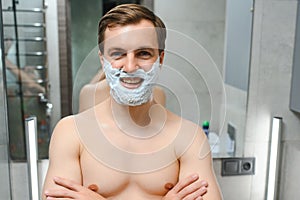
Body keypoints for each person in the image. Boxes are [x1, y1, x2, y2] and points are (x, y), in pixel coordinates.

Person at [42, 4, 222, 200]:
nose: (129, 66)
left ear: (160, 59)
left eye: (143, 53)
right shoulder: (71, 133)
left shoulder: (189, 139)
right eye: (118, 54)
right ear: (103, 61)